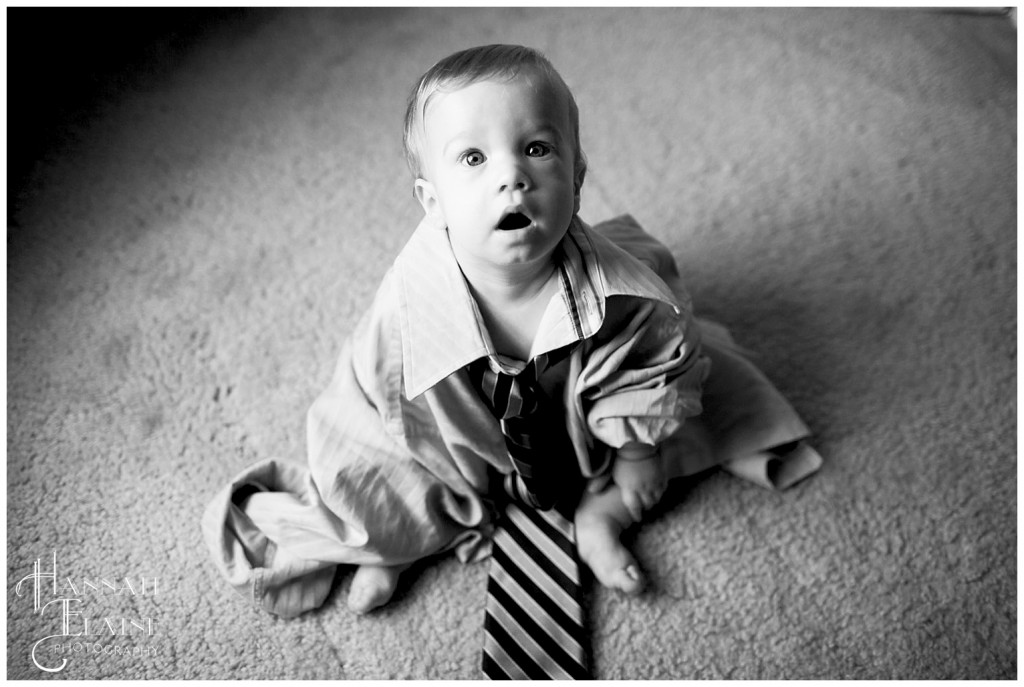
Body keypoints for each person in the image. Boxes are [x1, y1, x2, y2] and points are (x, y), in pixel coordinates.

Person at [202, 44, 821, 621]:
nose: (512, 177)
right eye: (473, 158)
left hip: (584, 414)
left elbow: (650, 368)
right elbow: (383, 400)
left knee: (678, 417)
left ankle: (599, 515)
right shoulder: (408, 304)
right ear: (432, 201)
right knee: (373, 472)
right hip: (453, 427)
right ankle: (392, 547)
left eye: (537, 148)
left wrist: (635, 456)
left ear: (577, 178)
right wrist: (388, 500)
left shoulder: (624, 294)